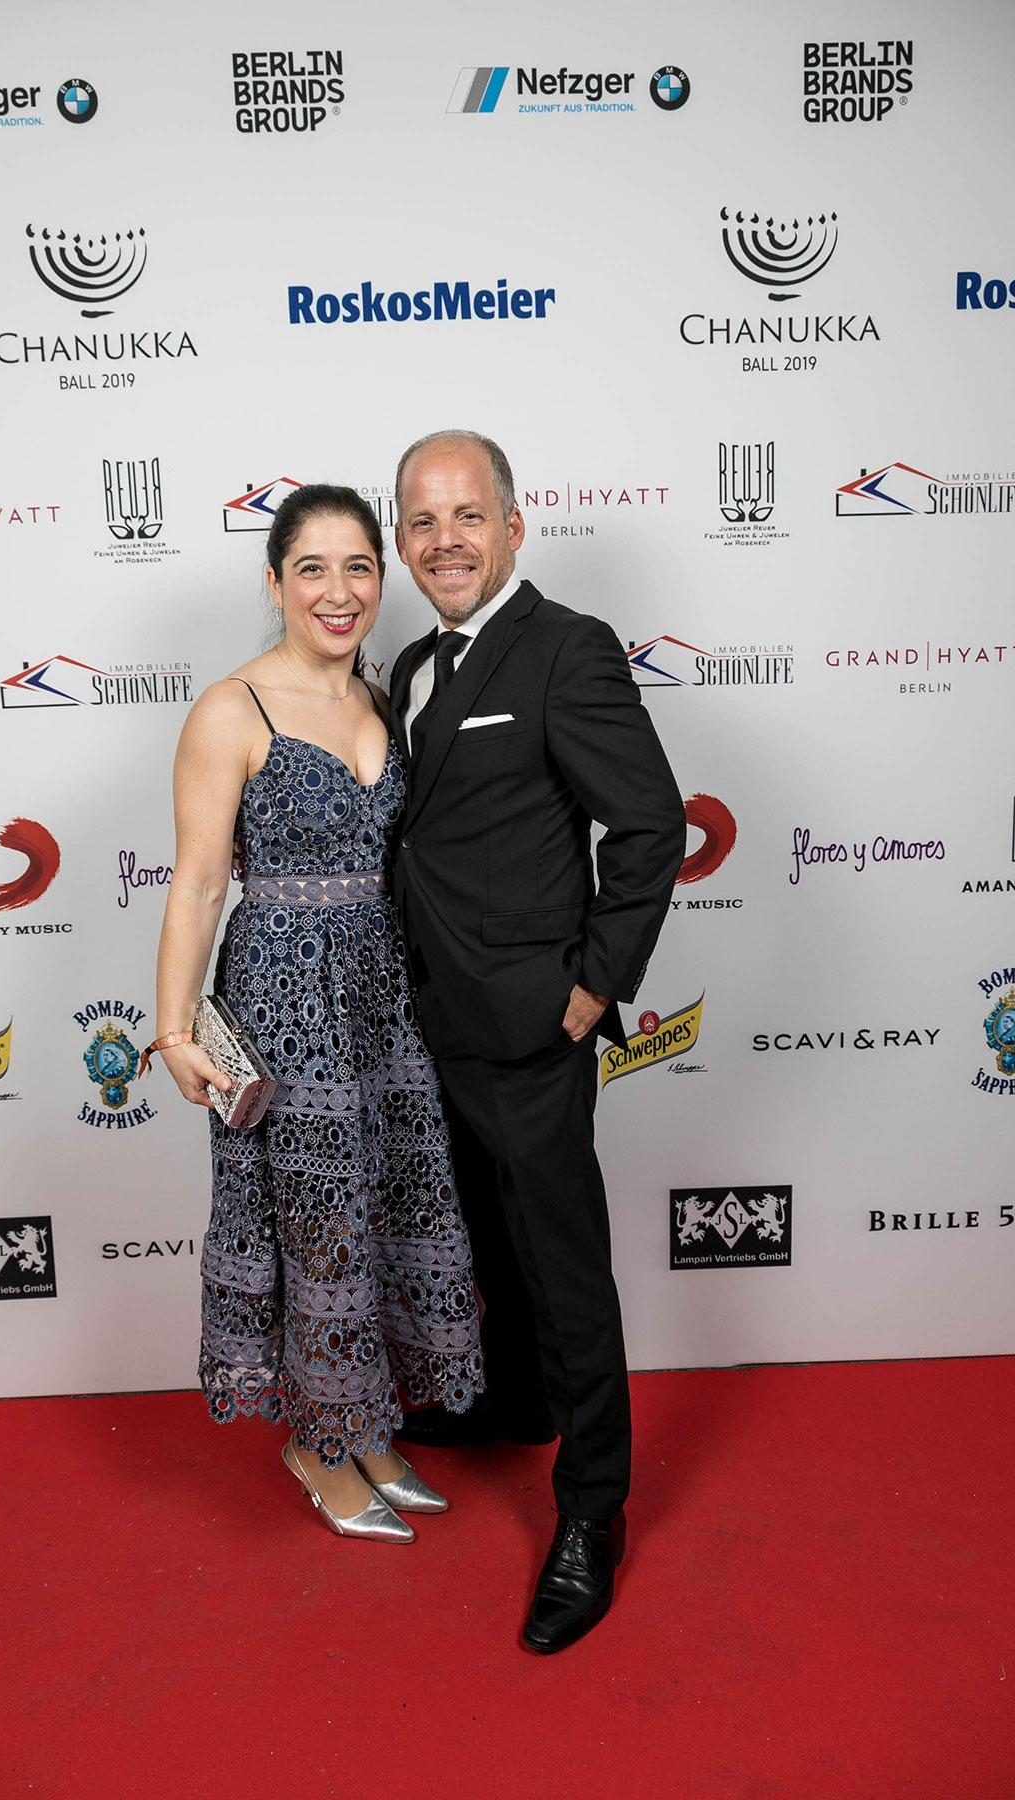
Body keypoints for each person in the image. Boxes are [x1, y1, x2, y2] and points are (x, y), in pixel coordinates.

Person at [388, 430, 686, 1649]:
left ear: (513, 526)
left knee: (565, 1271)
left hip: (531, 1023)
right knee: (483, 1242)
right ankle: (513, 1403)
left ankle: (592, 1510)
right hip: (429, 1021)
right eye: (422, 521)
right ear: (401, 540)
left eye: (468, 515)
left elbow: (651, 824)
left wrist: (594, 986)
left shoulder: (568, 647)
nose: (445, 540)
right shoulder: (409, 664)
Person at [150, 484, 483, 1543]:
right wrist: (173, 1029)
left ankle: (367, 1425)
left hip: (384, 993)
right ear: (275, 582)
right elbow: (201, 881)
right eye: (312, 569)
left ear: (381, 580)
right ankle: (318, 1444)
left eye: (358, 568)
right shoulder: (232, 709)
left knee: (382, 1205)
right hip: (285, 996)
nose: (338, 592)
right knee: (315, 1220)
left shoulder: (386, 699)